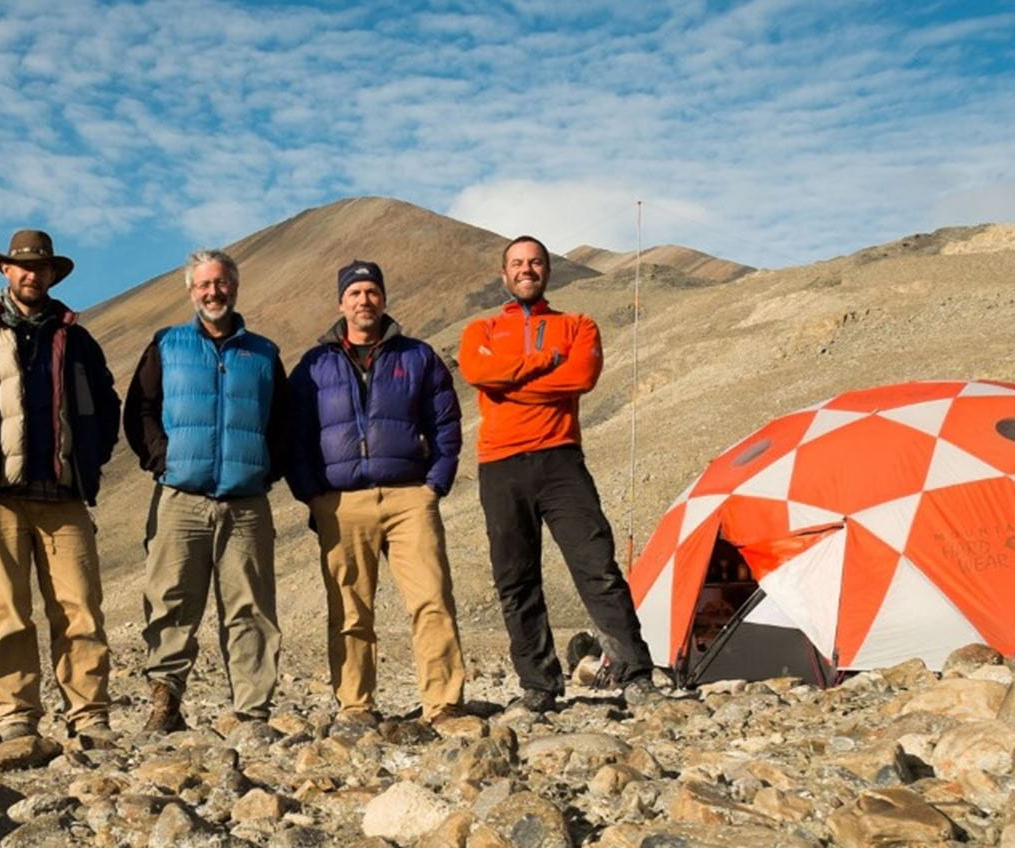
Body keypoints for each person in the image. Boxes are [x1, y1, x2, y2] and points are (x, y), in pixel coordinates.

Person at [458, 235, 663, 712]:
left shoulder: (578, 325)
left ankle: (635, 674)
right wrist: (541, 362)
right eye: (516, 263)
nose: (526, 269)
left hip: (560, 459)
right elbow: (476, 372)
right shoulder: (479, 331)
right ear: (503, 274)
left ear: (547, 270)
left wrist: (510, 381)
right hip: (500, 464)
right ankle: (539, 685)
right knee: (516, 578)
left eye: (534, 262)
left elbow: (580, 378)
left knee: (597, 568)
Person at [0, 229, 120, 740]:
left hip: (64, 498)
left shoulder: (76, 340)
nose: (32, 274)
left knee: (79, 609)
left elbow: (107, 406)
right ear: (6, 272)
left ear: (53, 274)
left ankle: (89, 714)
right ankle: (16, 713)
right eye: (23, 266)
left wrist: (90, 459)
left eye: (41, 266)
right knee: (4, 610)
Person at [287, 260, 465, 731]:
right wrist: (312, 494)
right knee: (349, 610)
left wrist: (435, 485)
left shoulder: (418, 356)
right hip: (341, 502)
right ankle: (355, 705)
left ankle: (443, 704)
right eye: (355, 293)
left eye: (372, 292)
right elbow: (292, 433)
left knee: (431, 599)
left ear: (383, 299)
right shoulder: (314, 364)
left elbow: (445, 423)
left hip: (410, 496)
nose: (364, 301)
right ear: (341, 302)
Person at [123, 249, 288, 732]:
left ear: (234, 288)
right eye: (204, 285)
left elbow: (283, 421)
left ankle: (252, 711)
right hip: (180, 498)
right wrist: (163, 458)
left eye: (221, 283)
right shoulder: (167, 344)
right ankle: (165, 704)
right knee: (170, 601)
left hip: (246, 503)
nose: (213, 292)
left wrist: (264, 469)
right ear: (191, 291)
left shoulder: (263, 353)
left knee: (251, 608)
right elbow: (141, 409)